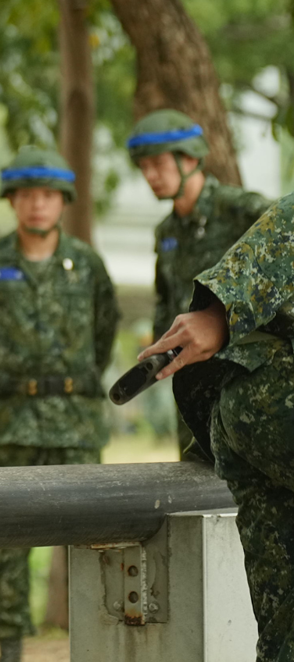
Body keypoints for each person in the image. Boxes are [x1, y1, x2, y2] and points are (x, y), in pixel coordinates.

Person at [0, 147, 119, 662]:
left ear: (62, 202)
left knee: (93, 539)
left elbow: (104, 335)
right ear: (12, 201)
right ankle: (10, 645)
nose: (37, 206)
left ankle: (98, 639)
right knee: (10, 540)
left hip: (77, 422)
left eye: (47, 196)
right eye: (27, 195)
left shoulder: (88, 265)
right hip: (12, 423)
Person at [140, 194, 294, 662]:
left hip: (244, 403)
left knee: (283, 631)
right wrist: (220, 310)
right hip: (273, 400)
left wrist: (220, 311)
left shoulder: (237, 206)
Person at [126, 109, 270, 459]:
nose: (150, 176)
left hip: (244, 383)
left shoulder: (241, 210)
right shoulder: (167, 231)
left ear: (190, 157)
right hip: (190, 383)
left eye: (158, 164)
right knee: (190, 491)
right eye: (143, 167)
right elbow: (166, 298)